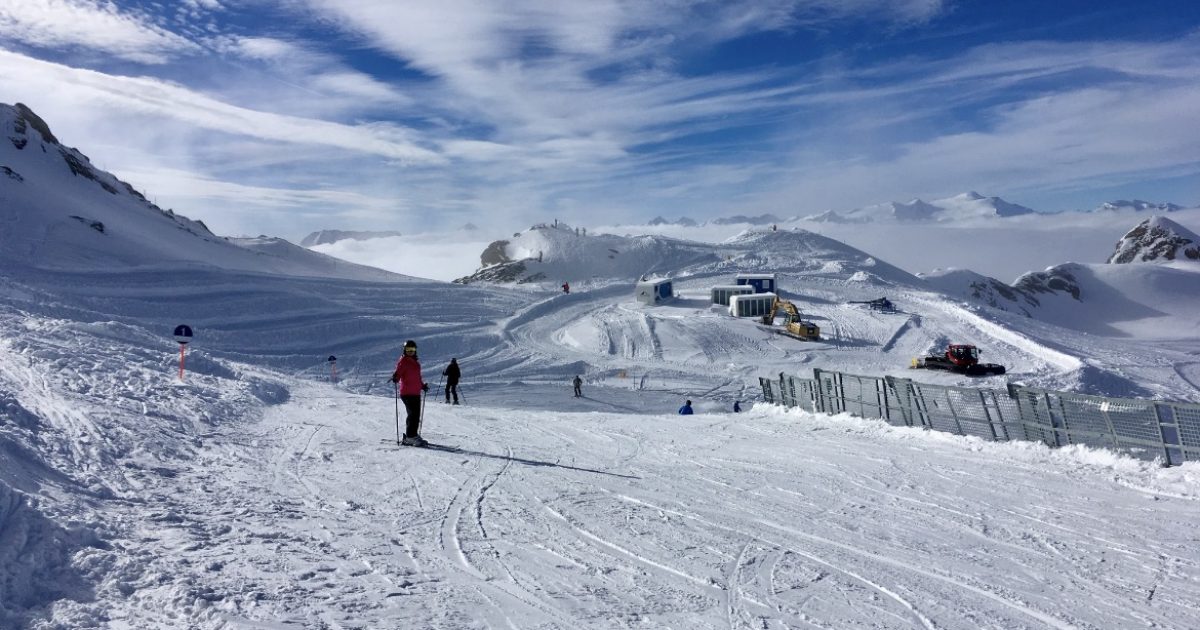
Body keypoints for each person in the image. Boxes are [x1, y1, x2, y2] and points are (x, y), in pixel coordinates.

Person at [391, 340, 430, 446]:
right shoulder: (403, 361)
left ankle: (413, 434)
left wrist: (422, 386)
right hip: (407, 393)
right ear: (405, 350)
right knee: (412, 415)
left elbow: (417, 377)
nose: (410, 352)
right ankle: (409, 437)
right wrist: (395, 377)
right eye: (408, 350)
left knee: (416, 415)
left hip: (416, 392)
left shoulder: (415, 362)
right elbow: (398, 373)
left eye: (412, 350)